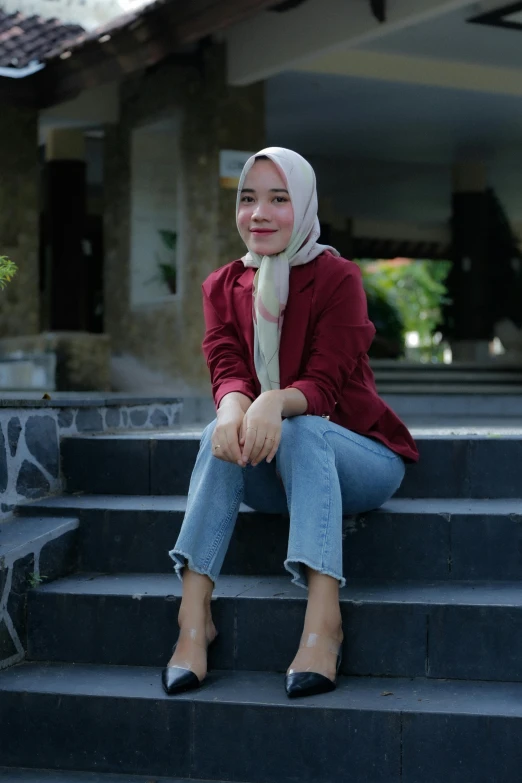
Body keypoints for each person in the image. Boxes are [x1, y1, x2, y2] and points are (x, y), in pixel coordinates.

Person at [162, 147, 419, 699]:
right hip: (274, 472)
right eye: (248, 199)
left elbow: (324, 388)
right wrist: (234, 404)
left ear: (302, 207)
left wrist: (273, 401)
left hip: (359, 459)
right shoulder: (222, 286)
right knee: (216, 432)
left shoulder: (336, 278)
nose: (259, 213)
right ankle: (193, 617)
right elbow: (225, 366)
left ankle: (324, 621)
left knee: (300, 427)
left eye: (279, 199)